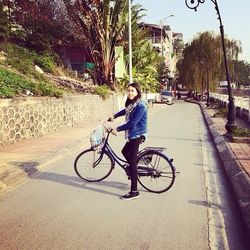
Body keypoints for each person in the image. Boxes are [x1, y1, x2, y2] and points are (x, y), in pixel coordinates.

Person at [109, 82, 148, 200]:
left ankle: (134, 191)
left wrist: (117, 129)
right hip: (133, 135)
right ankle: (133, 169)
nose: (130, 93)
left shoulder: (141, 105)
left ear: (137, 92)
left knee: (131, 162)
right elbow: (125, 111)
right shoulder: (132, 103)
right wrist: (114, 116)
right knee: (125, 151)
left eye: (133, 91)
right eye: (129, 90)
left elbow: (132, 123)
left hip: (137, 134)